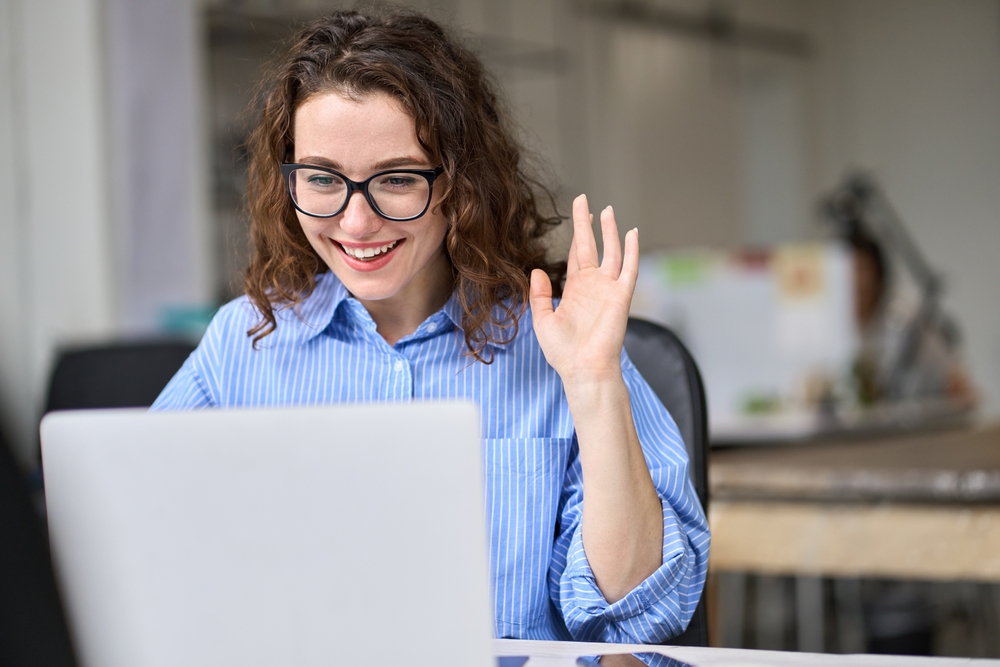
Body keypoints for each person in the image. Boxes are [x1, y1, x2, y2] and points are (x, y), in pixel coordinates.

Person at [153, 7, 708, 643]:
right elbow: (139, 546)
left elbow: (640, 616)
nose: (355, 224)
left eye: (394, 179)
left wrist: (592, 383)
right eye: (322, 179)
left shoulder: (557, 344)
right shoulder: (243, 343)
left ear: (461, 182)